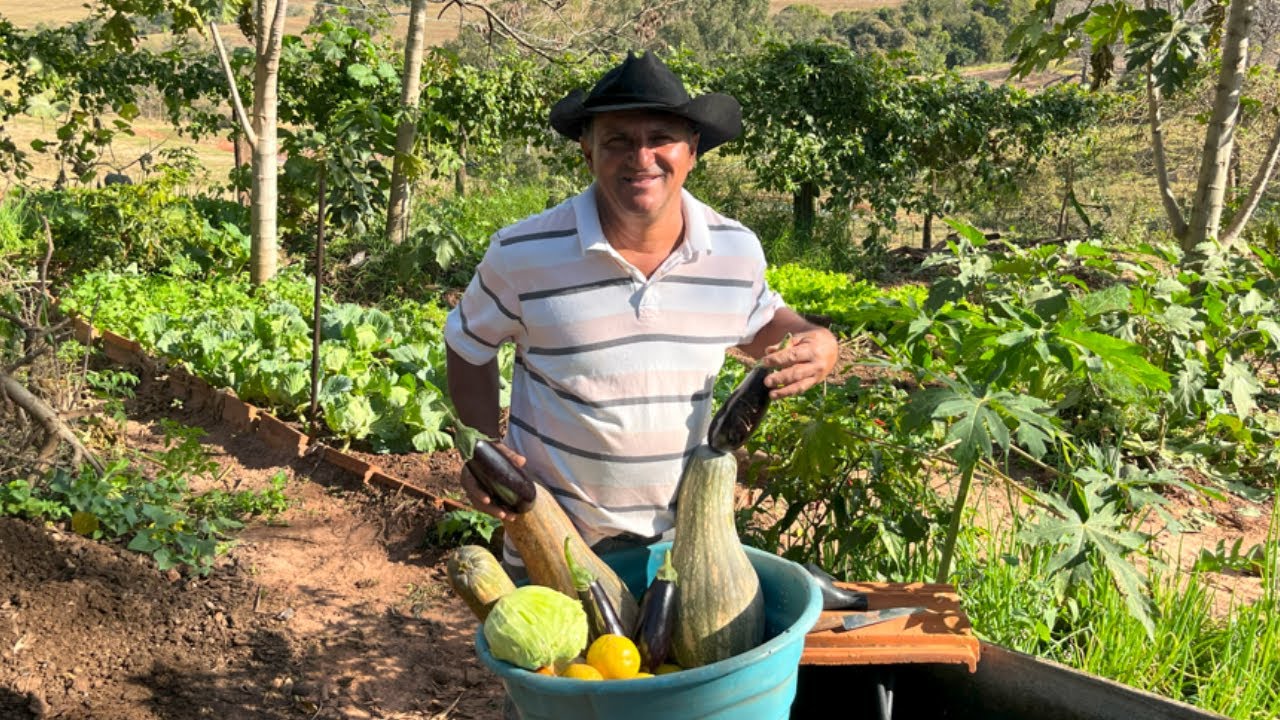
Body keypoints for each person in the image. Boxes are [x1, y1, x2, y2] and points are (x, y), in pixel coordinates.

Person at [444, 51, 839, 578]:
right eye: (619, 141)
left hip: (683, 552)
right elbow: (468, 344)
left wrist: (820, 342)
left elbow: (763, 322)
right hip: (552, 542)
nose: (642, 157)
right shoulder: (524, 253)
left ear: (692, 150)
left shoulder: (734, 250)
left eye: (660, 138)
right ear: (588, 153)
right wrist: (483, 450)